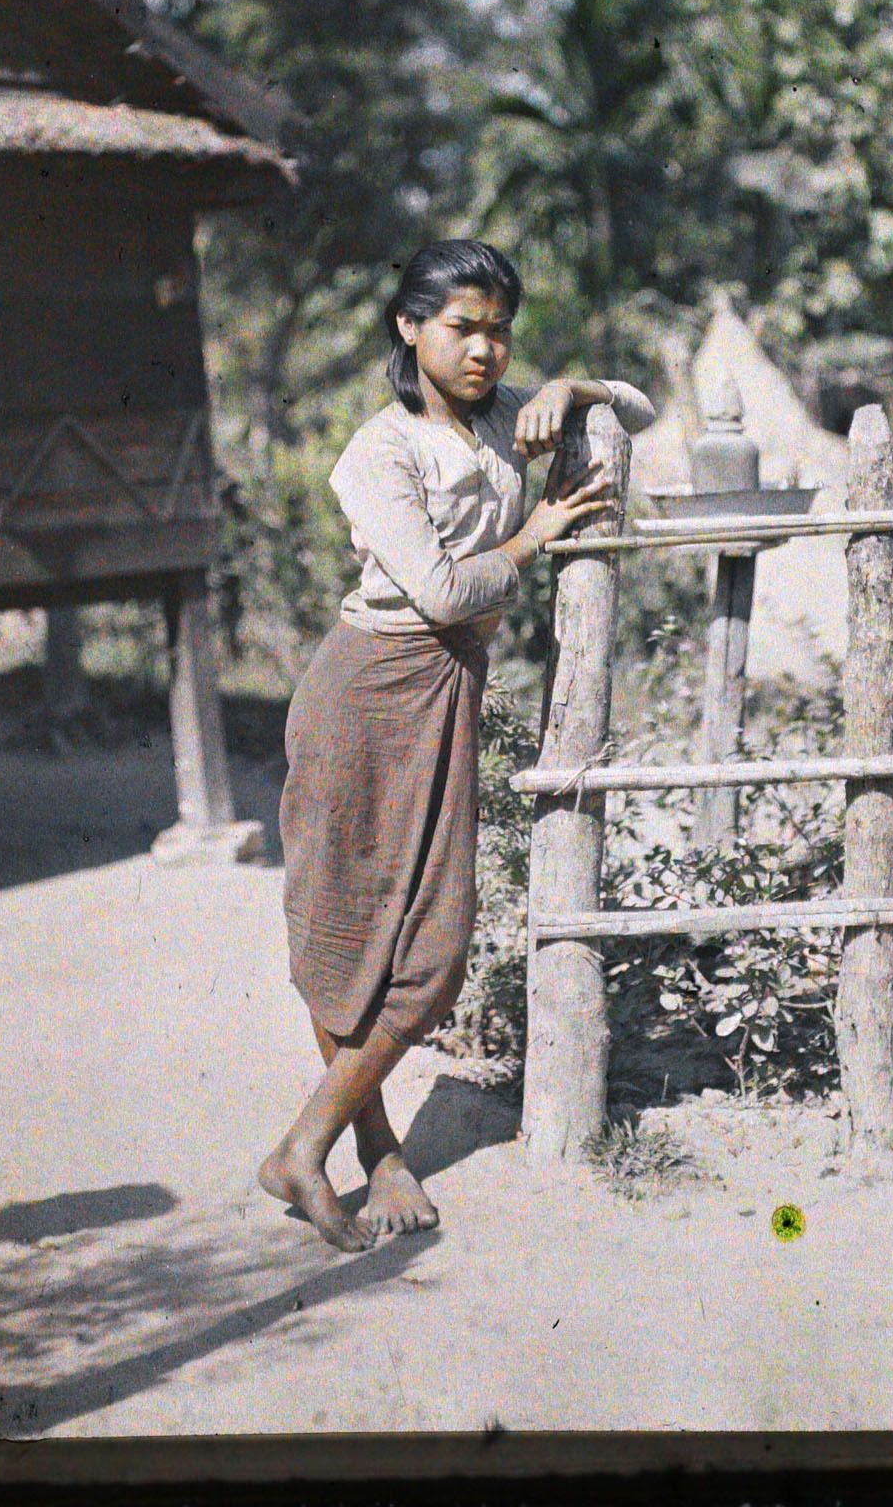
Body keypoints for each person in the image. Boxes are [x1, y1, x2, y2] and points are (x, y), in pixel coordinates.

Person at [257, 240, 656, 1252]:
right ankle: (367, 1149)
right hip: (362, 688)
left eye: (498, 330)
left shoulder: (498, 416)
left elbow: (640, 409)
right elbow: (438, 590)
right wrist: (532, 538)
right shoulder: (378, 452)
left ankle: (302, 1142)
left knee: (432, 945)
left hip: (445, 691)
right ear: (408, 328)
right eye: (459, 327)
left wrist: (571, 385)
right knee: (346, 929)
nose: (482, 349)